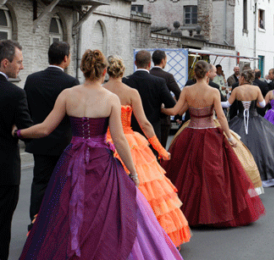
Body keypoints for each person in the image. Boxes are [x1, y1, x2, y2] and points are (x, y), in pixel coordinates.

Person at [18, 49, 182, 260]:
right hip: (102, 162)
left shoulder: (68, 95)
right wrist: (133, 172)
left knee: (65, 210)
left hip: (72, 160)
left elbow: (44, 129)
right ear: (104, 70)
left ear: (82, 69)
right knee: (106, 211)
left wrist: (19, 132)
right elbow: (119, 139)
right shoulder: (111, 98)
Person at [161, 61, 265, 226]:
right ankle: (216, 212)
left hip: (190, 134)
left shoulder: (187, 90)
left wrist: (162, 109)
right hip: (210, 135)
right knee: (215, 174)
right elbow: (221, 116)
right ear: (208, 74)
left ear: (195, 73)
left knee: (187, 172)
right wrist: (229, 136)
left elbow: (175, 112)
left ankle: (186, 212)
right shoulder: (214, 91)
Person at [103, 55, 191, 247]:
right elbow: (144, 123)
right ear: (123, 70)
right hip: (130, 141)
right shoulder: (131, 92)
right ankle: (147, 237)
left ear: (106, 70)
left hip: (104, 143)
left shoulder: (100, 91)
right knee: (145, 190)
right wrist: (159, 148)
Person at [24, 42, 80, 229]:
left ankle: (35, 222)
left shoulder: (32, 79)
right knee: (62, 184)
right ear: (65, 58)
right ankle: (57, 224)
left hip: (39, 142)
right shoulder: (71, 83)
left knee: (39, 183)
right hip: (63, 144)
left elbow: (27, 110)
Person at [223, 69, 274, 187]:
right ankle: (260, 173)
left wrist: (214, 102)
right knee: (262, 144)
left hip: (239, 119)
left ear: (242, 78)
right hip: (255, 118)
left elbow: (227, 104)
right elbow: (262, 104)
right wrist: (254, 103)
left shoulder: (236, 89)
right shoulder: (256, 89)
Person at [0, 40, 33, 260]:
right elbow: (27, 128)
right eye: (19, 62)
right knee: (2, 227)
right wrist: (18, 132)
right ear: (5, 63)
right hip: (4, 172)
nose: (21, 67)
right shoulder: (14, 93)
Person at [123, 50, 175, 154]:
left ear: (135, 63)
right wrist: (160, 106)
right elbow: (171, 104)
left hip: (132, 129)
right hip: (153, 128)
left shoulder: (126, 81)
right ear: (149, 64)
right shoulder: (159, 82)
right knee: (152, 161)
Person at [149, 50, 181, 148]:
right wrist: (175, 109)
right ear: (163, 60)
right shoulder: (167, 76)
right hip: (163, 118)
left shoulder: (147, 74)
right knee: (161, 149)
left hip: (146, 117)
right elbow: (179, 93)